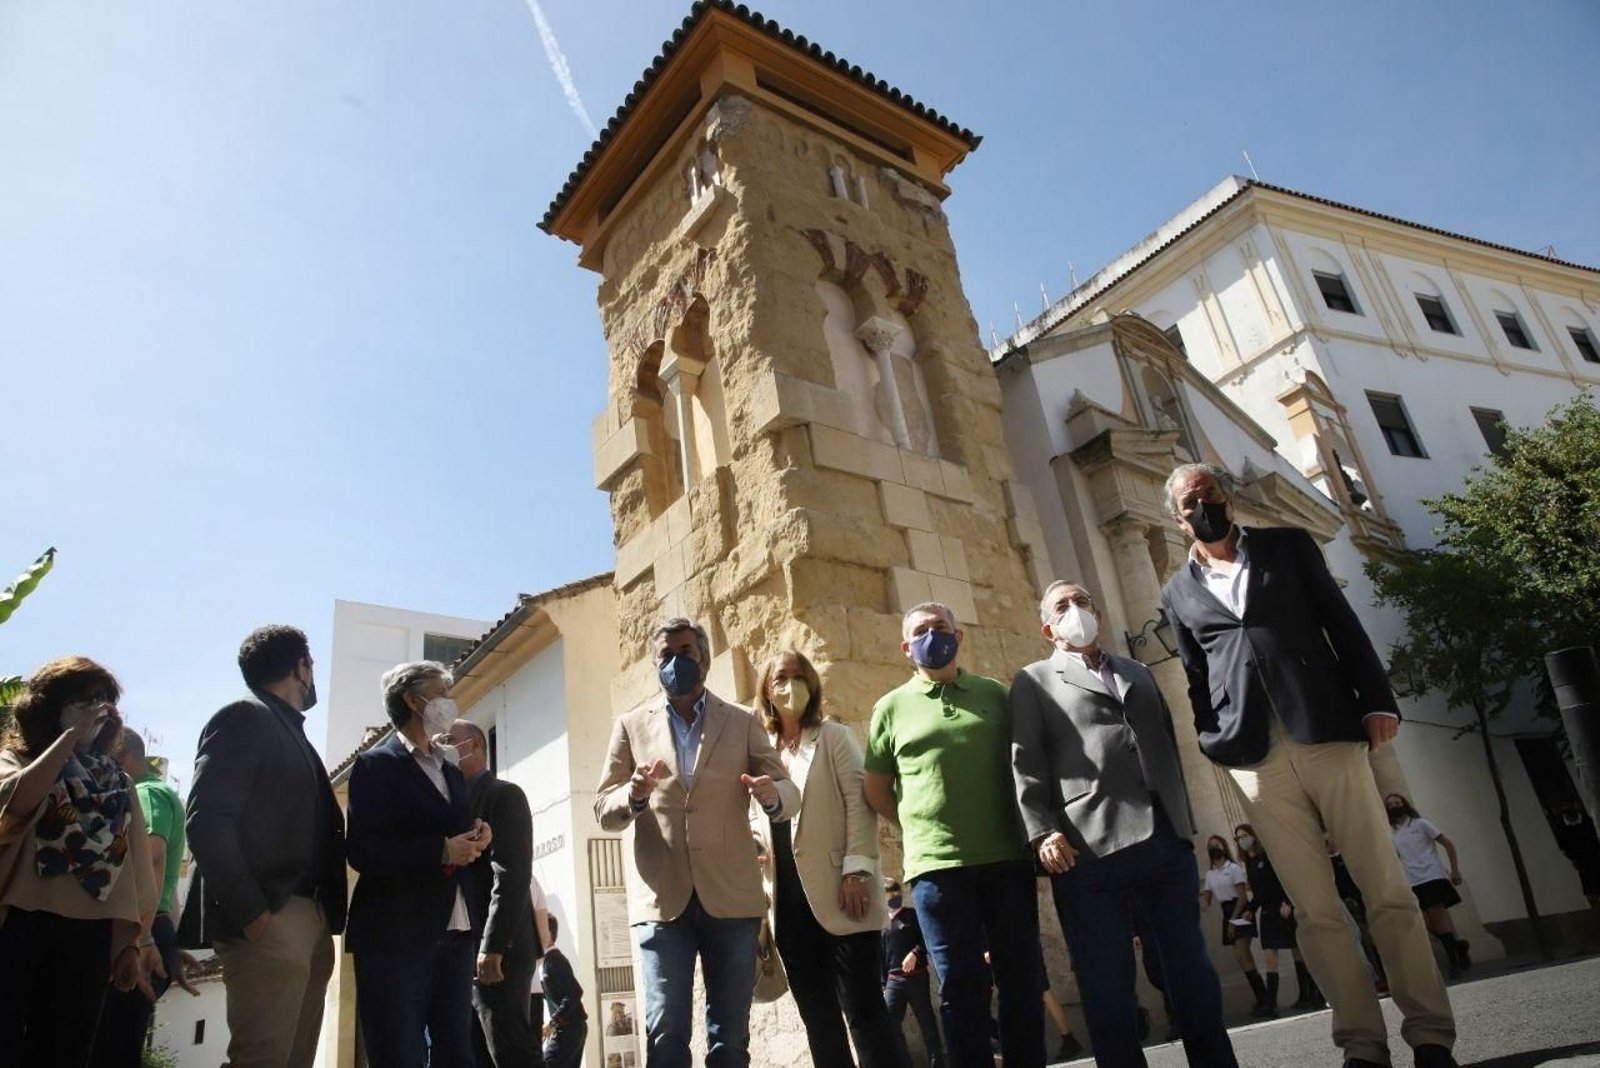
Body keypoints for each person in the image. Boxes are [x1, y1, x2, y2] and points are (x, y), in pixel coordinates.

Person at [1159, 462, 1457, 1068]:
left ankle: (1429, 1035)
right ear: (1177, 515)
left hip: (1325, 731)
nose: (1205, 505)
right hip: (1253, 757)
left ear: (1229, 498)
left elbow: (1340, 624)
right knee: (1315, 910)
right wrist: (1212, 737)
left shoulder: (1287, 547)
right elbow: (1195, 676)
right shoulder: (1176, 591)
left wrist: (1375, 699)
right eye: (1193, 500)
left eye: (1212, 494)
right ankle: (1362, 1045)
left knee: (1385, 888)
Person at [1011, 581, 1236, 1067]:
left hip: (1162, 839)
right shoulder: (1033, 680)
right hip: (1087, 849)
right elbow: (1024, 761)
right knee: (1106, 980)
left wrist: (1183, 823)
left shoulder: (1137, 671)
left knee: (1190, 970)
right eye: (1062, 606)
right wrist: (1041, 830)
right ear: (1048, 628)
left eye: (1083, 601)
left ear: (1100, 613)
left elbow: (1169, 745)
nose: (1076, 610)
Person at [593, 617, 800, 1068]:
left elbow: (788, 791)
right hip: (662, 903)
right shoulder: (630, 725)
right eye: (665, 655)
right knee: (665, 1032)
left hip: (732, 899)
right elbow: (603, 807)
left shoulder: (742, 721)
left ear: (703, 659)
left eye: (684, 652)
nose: (674, 662)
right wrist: (632, 795)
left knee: (730, 1039)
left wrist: (771, 795)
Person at [863, 601, 1044, 1068]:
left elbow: (1026, 764)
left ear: (958, 635)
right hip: (937, 870)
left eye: (940, 627)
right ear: (906, 648)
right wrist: (919, 822)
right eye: (920, 631)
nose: (931, 636)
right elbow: (877, 788)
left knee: (1021, 978)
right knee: (961, 987)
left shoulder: (995, 694)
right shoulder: (889, 708)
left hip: (1007, 858)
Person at [184, 625, 348, 1068]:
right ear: (301, 666)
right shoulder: (244, 716)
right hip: (271, 919)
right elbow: (206, 820)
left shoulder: (292, 732)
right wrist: (253, 914)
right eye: (311, 663)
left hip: (309, 921)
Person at [748, 649, 906, 1068]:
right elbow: (756, 822)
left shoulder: (832, 736)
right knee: (818, 1020)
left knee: (865, 1012)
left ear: (812, 684)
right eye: (780, 677)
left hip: (842, 892)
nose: (790, 685)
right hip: (788, 906)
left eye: (799, 675)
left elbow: (859, 803)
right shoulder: (761, 751)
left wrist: (857, 870)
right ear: (766, 688)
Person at [0, 658, 160, 1068]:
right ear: (47, 706)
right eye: (82, 699)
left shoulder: (118, 783)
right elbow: (15, 805)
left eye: (103, 700)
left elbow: (136, 870)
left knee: (66, 1053)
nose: (96, 709)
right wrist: (68, 739)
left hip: (90, 935)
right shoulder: (15, 760)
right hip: (17, 924)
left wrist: (133, 943)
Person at [346, 661, 492, 1068]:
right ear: (413, 699)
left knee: (457, 1052)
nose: (450, 701)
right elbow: (364, 851)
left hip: (457, 933)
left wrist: (478, 834)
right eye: (441, 691)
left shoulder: (450, 768)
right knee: (399, 1053)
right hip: (397, 936)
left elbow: (455, 832)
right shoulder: (375, 766)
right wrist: (441, 851)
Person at [90, 728, 202, 1068]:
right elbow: (168, 881)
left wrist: (142, 939)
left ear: (121, 752)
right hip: (153, 929)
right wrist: (167, 941)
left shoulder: (145, 793)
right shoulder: (159, 792)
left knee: (107, 1048)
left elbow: (151, 858)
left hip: (139, 934)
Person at [444, 719, 544, 1067]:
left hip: (498, 950)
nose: (440, 747)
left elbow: (512, 875)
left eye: (447, 740)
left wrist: (492, 946)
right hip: (461, 948)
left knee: (509, 1048)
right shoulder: (452, 806)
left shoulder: (502, 795)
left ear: (474, 746)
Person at [1233, 824, 1322, 1015]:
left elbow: (1281, 880)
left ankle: (1311, 994)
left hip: (1281, 908)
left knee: (1296, 950)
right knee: (1269, 955)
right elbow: (1258, 892)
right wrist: (1250, 909)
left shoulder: (1267, 856)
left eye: (1245, 835)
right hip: (1266, 912)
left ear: (1254, 836)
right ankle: (1271, 1002)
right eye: (1238, 838)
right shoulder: (1249, 862)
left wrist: (1286, 902)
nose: (1243, 840)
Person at [1384, 794, 1470, 979]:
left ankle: (1453, 963)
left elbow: (1448, 844)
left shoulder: (1420, 824)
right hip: (1411, 880)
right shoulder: (1390, 831)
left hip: (1431, 875)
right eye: (1390, 804)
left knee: (1438, 919)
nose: (1394, 807)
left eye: (1397, 803)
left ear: (1404, 805)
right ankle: (1457, 946)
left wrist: (1455, 870)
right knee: (1423, 921)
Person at [1199, 834, 1270, 1013]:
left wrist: (1233, 920)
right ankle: (1262, 998)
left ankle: (1264, 998)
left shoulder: (1233, 868)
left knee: (1242, 955)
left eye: (1217, 845)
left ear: (1224, 847)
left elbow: (1242, 896)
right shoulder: (1210, 874)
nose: (1214, 849)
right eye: (1211, 846)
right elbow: (1206, 902)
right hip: (1225, 910)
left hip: (1239, 910)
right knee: (1244, 958)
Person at [881, 875, 946, 1068]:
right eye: (890, 894)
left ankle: (937, 1064)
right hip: (893, 981)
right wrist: (883, 983)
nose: (894, 897)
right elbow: (880, 955)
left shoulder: (912, 915)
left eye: (897, 893)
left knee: (926, 1022)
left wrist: (915, 953)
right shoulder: (882, 922)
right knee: (890, 1024)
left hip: (916, 978)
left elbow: (926, 940)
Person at [540, 915, 587, 1068]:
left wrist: (554, 1022)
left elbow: (575, 991)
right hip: (569, 1028)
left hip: (569, 1029)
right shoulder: (546, 961)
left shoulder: (555, 960)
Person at [1551, 798, 1600, 920]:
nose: (1567, 807)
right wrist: (1572, 858)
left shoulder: (1586, 820)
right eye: (1564, 805)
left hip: (1594, 855)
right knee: (1588, 886)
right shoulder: (1561, 825)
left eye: (1569, 804)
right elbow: (1562, 844)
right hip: (1580, 859)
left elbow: (1594, 836)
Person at [529, 872, 553, 1042]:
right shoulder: (533, 881)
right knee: (532, 1053)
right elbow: (544, 938)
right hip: (532, 985)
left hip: (495, 985)